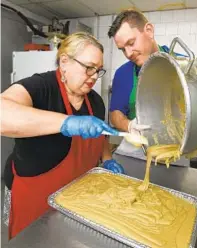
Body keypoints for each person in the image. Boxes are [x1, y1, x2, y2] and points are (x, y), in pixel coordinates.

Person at [1, 32, 125, 239]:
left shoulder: (95, 101)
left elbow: (100, 135)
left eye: (98, 70)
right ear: (65, 62)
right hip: (33, 196)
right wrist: (66, 122)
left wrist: (108, 159)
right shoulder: (40, 87)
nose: (94, 76)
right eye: (89, 68)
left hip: (74, 198)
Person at [107, 9, 197, 159]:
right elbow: (115, 114)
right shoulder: (123, 73)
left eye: (131, 43)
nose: (128, 53)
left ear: (149, 30)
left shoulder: (186, 68)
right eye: (122, 49)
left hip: (174, 153)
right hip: (133, 152)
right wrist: (129, 126)